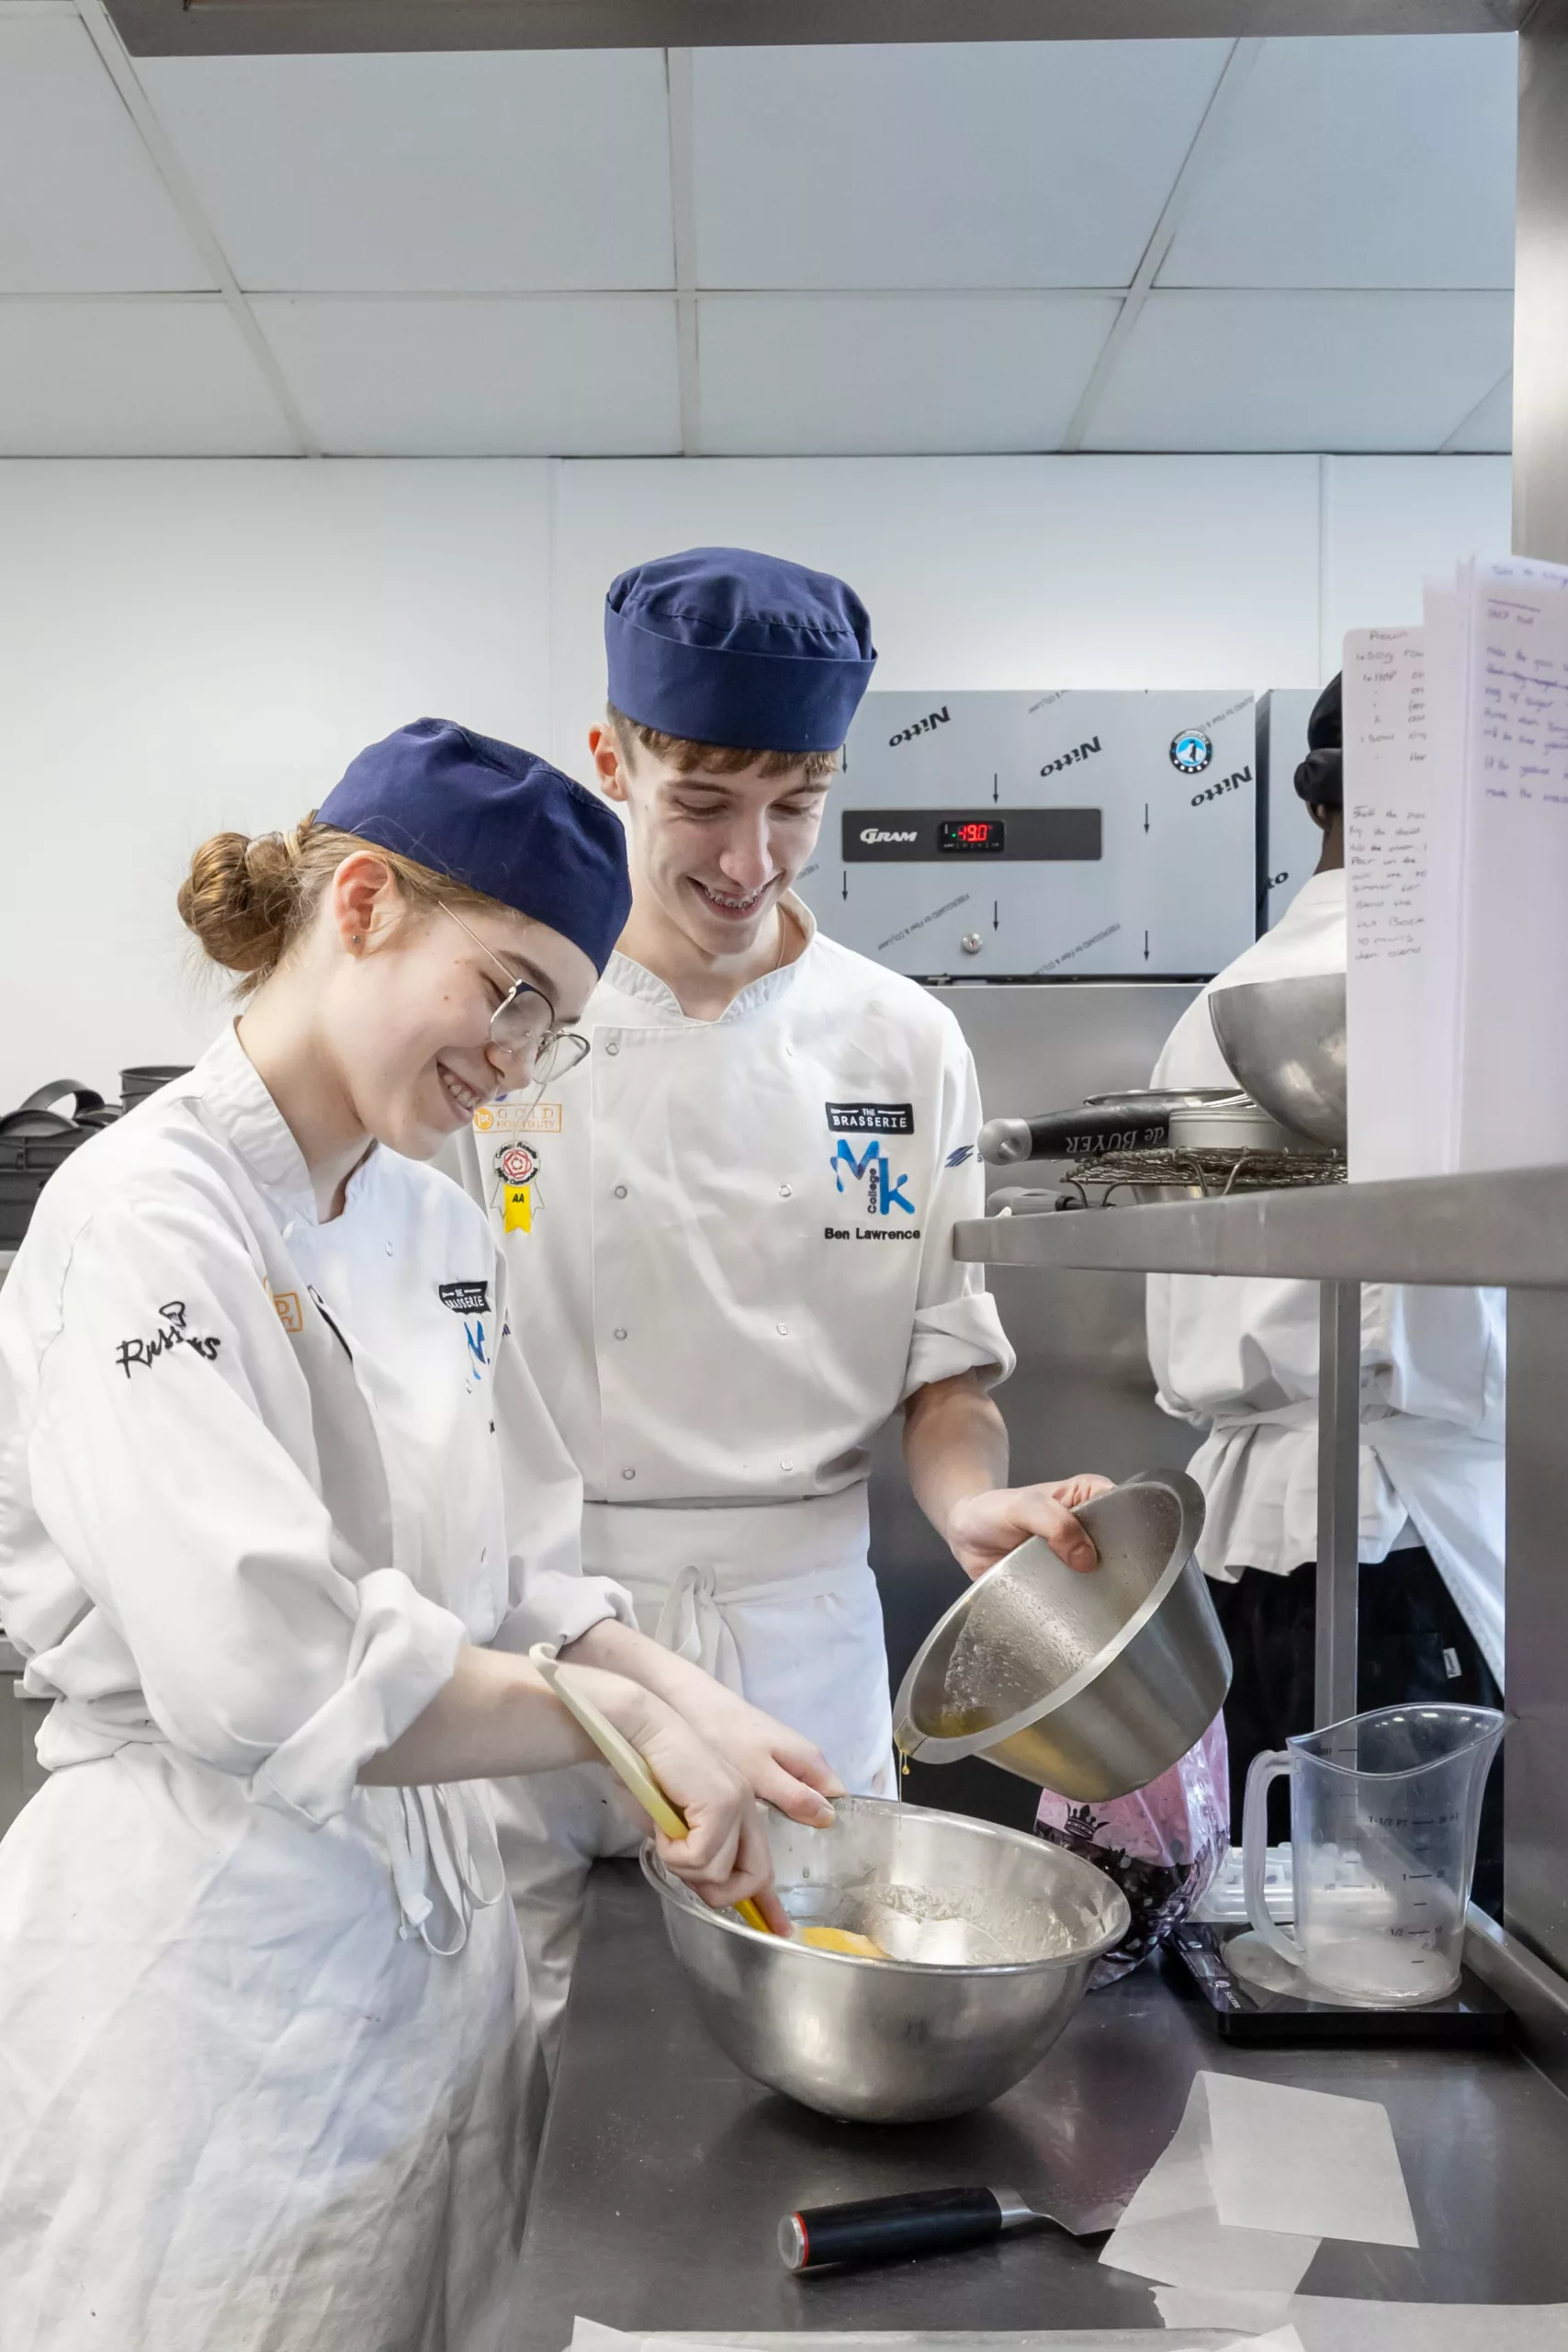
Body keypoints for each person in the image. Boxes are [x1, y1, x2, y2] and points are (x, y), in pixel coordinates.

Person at [0, 718, 798, 2352]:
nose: (519, 1056)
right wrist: (623, 1722)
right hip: (215, 1964)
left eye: (555, 1027)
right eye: (507, 990)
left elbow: (517, 1572)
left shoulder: (437, 1215)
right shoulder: (141, 1218)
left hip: (436, 1959)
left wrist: (691, 1700)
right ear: (359, 903)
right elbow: (261, 1669)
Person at [455, 547, 1110, 2055]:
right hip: (552, 1623)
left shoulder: (901, 1040)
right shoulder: (508, 1033)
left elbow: (947, 1372)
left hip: (804, 1629)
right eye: (701, 804)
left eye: (795, 805)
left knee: (822, 2029)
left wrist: (963, 1512)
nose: (750, 858)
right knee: (511, 2042)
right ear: (612, 758)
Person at [1145, 674, 1506, 1907]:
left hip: (1254, 1564)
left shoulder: (1219, 1004)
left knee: (1287, 1927)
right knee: (1428, 1955)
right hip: (1397, 1551)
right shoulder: (1445, 1003)